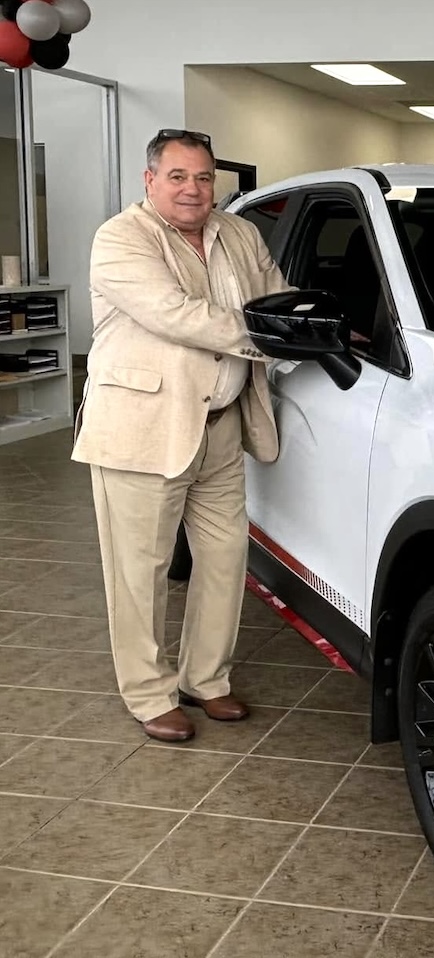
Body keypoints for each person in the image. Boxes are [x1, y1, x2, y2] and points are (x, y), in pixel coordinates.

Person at [72, 129, 291, 742]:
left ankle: (206, 681)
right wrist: (275, 337)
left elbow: (276, 296)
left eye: (202, 177)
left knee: (224, 560)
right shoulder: (120, 238)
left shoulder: (239, 233)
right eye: (177, 176)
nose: (192, 189)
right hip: (143, 429)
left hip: (221, 426)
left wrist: (320, 324)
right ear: (150, 180)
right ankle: (148, 694)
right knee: (140, 570)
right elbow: (176, 315)